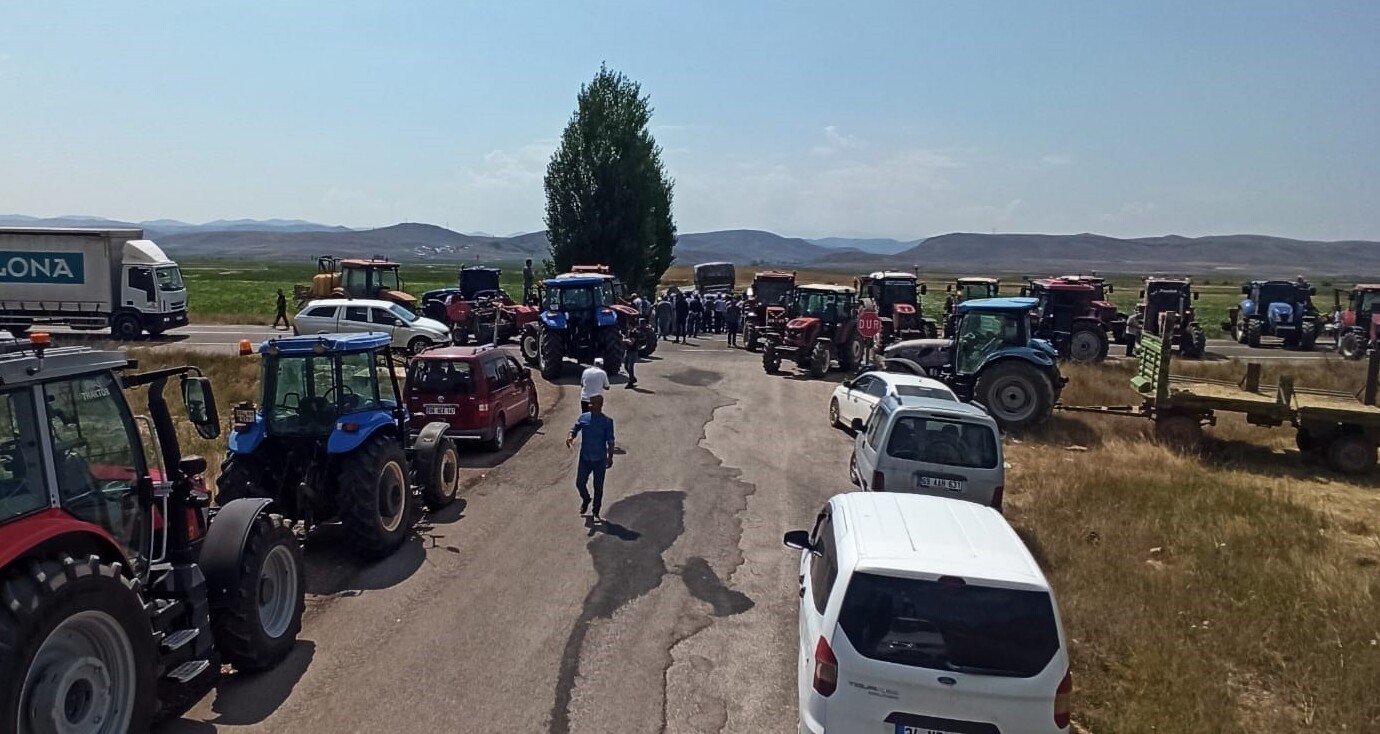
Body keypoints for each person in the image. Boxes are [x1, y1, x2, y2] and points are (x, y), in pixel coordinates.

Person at [566, 394, 615, 522]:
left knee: (598, 487)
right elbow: (575, 428)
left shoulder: (607, 422)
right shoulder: (584, 418)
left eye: (593, 403)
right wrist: (571, 436)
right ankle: (586, 498)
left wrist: (610, 458)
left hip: (599, 460)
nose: (589, 405)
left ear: (600, 405)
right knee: (580, 483)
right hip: (585, 458)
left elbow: (610, 441)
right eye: (589, 403)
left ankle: (595, 511)